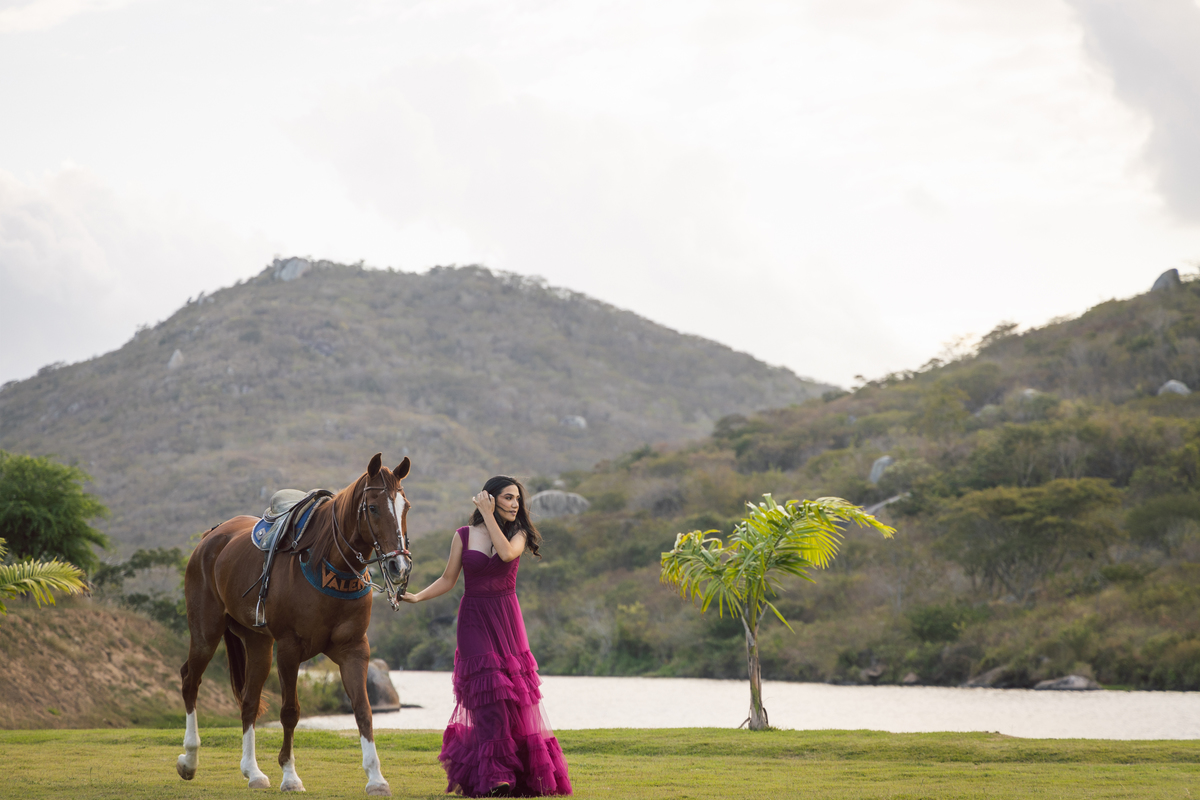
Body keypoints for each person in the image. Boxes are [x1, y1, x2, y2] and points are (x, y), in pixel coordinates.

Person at [403, 476, 572, 798]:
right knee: (488, 693)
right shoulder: (463, 535)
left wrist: (491, 517)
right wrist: (417, 597)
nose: (514, 504)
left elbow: (507, 554)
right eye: (508, 498)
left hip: (507, 617)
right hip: (474, 620)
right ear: (490, 499)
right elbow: (448, 578)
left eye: (517, 500)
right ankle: (497, 776)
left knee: (515, 696)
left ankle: (517, 772)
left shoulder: (519, 534)